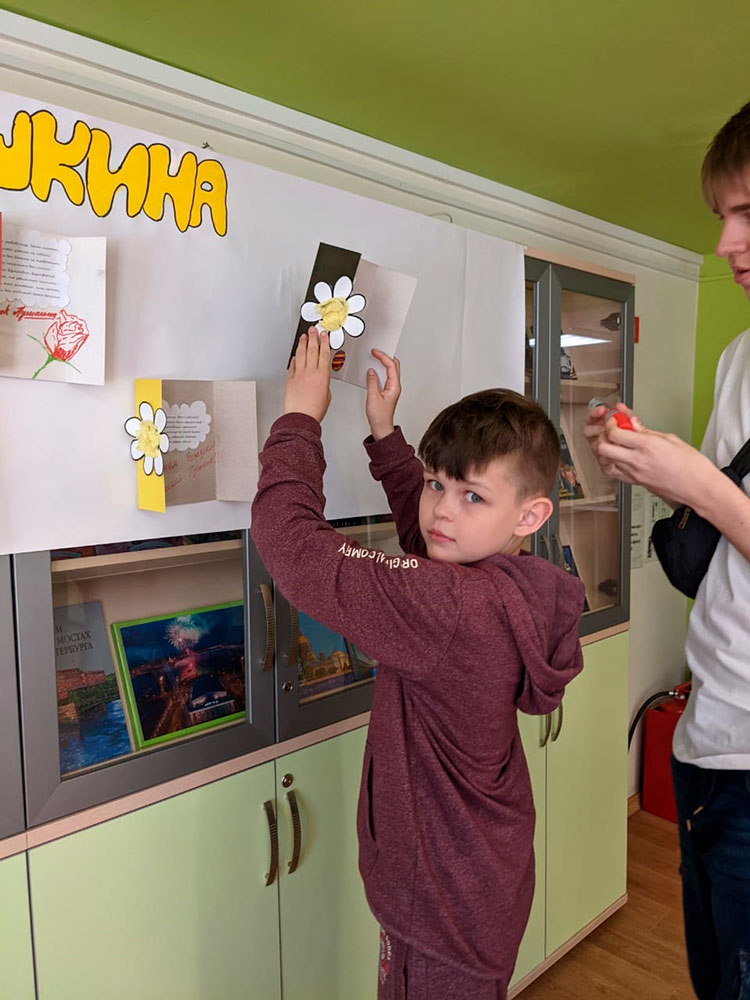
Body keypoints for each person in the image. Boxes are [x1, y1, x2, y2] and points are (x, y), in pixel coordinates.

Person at [251, 328, 586, 999]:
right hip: (479, 885)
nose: (442, 510)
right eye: (437, 484)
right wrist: (387, 438)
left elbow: (290, 542)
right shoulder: (516, 584)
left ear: (530, 515)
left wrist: (300, 418)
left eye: (473, 496)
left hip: (438, 914)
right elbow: (431, 538)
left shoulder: (452, 609)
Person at [584, 102, 750, 1000]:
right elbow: (723, 522)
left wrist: (701, 485)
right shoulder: (739, 358)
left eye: (749, 213)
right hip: (707, 738)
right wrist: (654, 466)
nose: (725, 244)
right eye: (721, 215)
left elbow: (723, 501)